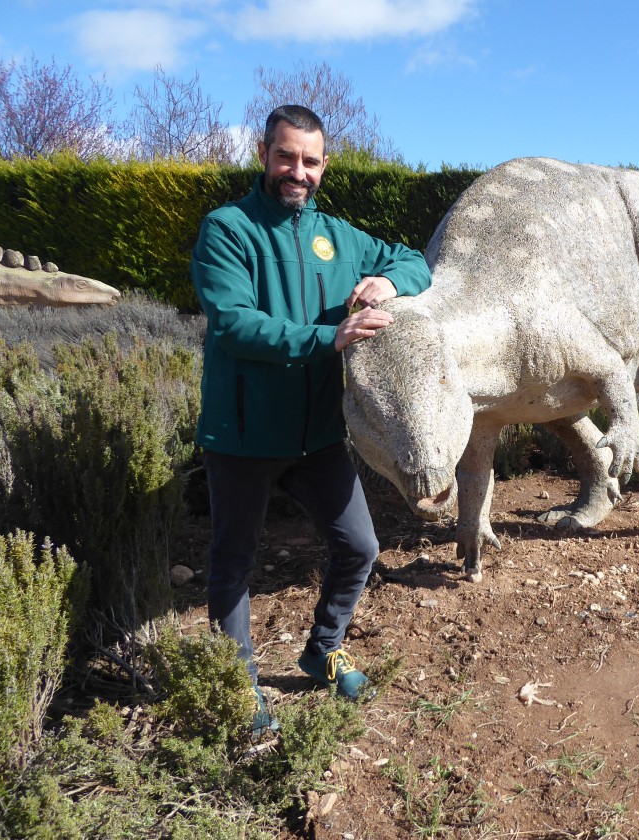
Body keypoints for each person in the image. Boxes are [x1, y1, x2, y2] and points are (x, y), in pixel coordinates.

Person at [190, 104, 431, 732]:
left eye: (311, 160)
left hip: (318, 435)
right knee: (233, 562)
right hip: (243, 434)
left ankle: (323, 650)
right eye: (286, 156)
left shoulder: (338, 236)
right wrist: (328, 338)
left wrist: (385, 283)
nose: (298, 171)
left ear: (324, 165)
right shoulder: (228, 228)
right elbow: (234, 323)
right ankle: (238, 686)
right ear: (264, 154)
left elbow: (414, 260)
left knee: (360, 547)